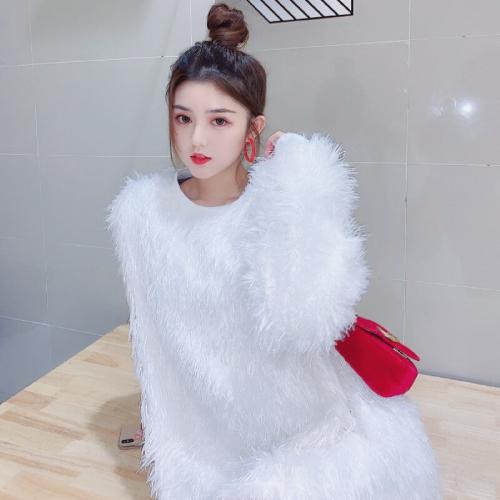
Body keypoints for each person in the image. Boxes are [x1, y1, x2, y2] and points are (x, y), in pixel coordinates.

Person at [107, 3, 442, 499]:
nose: (196, 138)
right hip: (200, 436)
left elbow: (307, 322)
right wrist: (158, 415)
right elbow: (156, 338)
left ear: (253, 127)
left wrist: (299, 182)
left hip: (305, 420)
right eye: (183, 118)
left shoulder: (276, 205)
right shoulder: (141, 212)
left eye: (220, 120)